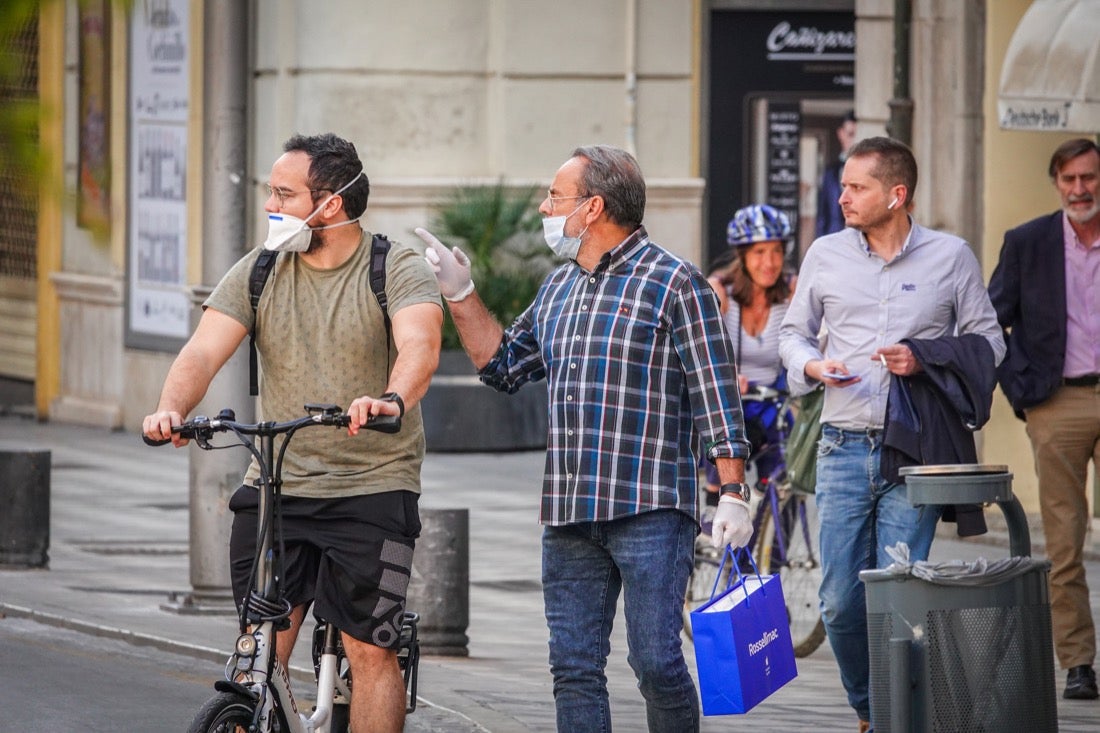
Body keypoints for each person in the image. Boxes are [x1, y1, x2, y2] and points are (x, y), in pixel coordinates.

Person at [415, 144, 753, 733]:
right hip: (570, 511)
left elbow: (716, 395)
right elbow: (501, 365)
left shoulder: (676, 284)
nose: (544, 208)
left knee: (656, 663)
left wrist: (732, 492)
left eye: (555, 196)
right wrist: (461, 296)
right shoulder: (558, 288)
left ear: (592, 207)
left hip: (650, 509)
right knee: (573, 668)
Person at [142, 132, 443, 733]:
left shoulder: (394, 267)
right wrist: (170, 408)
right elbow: (203, 351)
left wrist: (390, 399)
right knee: (260, 650)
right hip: (277, 488)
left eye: (283, 194)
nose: (270, 205)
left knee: (369, 650)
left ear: (330, 204)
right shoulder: (261, 269)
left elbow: (420, 345)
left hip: (371, 486)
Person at [778, 136, 1005, 732]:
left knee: (899, 599)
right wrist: (813, 365)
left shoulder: (951, 257)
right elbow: (792, 334)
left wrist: (923, 358)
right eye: (844, 186)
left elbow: (990, 343)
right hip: (842, 445)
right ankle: (870, 709)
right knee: (840, 603)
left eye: (858, 187)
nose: (843, 197)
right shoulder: (826, 253)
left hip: (915, 453)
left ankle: (889, 722)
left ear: (896, 194)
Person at [988, 137, 1100, 701]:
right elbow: (991, 320)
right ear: (1056, 183)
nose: (1080, 189)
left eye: (1089, 177)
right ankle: (1077, 662)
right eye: (1069, 179)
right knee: (1064, 538)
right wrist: (1021, 388)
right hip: (1057, 403)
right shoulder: (1028, 242)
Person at [698, 204, 795, 522]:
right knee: (724, 473)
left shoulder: (791, 292)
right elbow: (703, 349)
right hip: (733, 403)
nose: (770, 262)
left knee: (784, 483)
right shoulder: (720, 291)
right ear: (742, 256)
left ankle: (773, 546)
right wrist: (728, 374)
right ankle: (713, 530)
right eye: (759, 252)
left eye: (777, 251)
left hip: (772, 404)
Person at [816, 110, 857, 238]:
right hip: (833, 236)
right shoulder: (830, 172)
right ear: (841, 134)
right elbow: (823, 214)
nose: (855, 141)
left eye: (858, 135)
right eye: (851, 134)